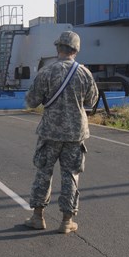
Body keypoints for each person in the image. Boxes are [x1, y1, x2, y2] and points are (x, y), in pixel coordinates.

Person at [24, 31, 98, 234]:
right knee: (71, 175)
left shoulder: (46, 72)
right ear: (76, 50)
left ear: (58, 48)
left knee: (43, 173)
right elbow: (91, 101)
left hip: (50, 133)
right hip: (75, 134)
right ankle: (67, 221)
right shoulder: (85, 73)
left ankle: (37, 217)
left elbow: (31, 102)